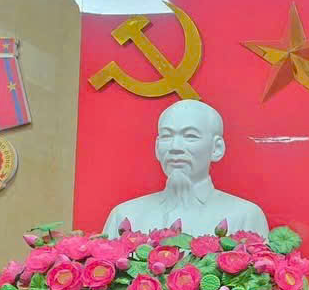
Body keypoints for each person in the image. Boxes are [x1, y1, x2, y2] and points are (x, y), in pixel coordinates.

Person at [102, 99, 269, 236]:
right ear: (157, 147)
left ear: (216, 148)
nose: (175, 147)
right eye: (167, 136)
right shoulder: (125, 215)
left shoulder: (245, 216)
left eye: (190, 136)